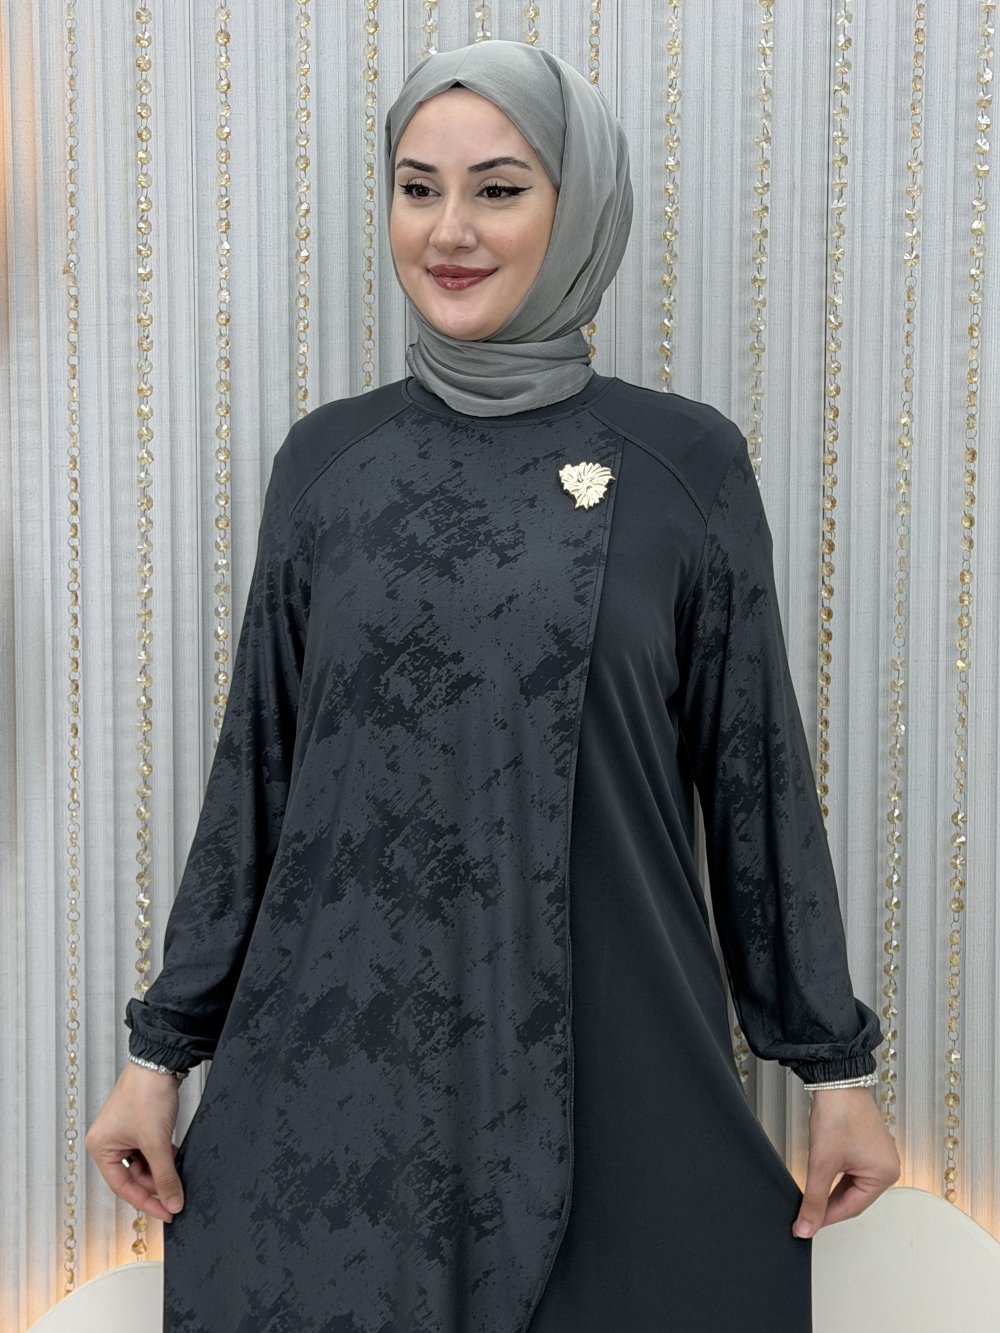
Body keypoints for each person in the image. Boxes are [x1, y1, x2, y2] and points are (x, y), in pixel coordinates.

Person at [86, 39, 899, 1332]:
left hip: (610, 1071)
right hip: (337, 1090)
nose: (449, 231)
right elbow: (258, 773)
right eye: (418, 189)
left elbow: (754, 780)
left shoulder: (685, 466)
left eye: (499, 189)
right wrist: (159, 1054)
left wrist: (833, 1068)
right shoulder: (327, 466)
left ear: (576, 208)